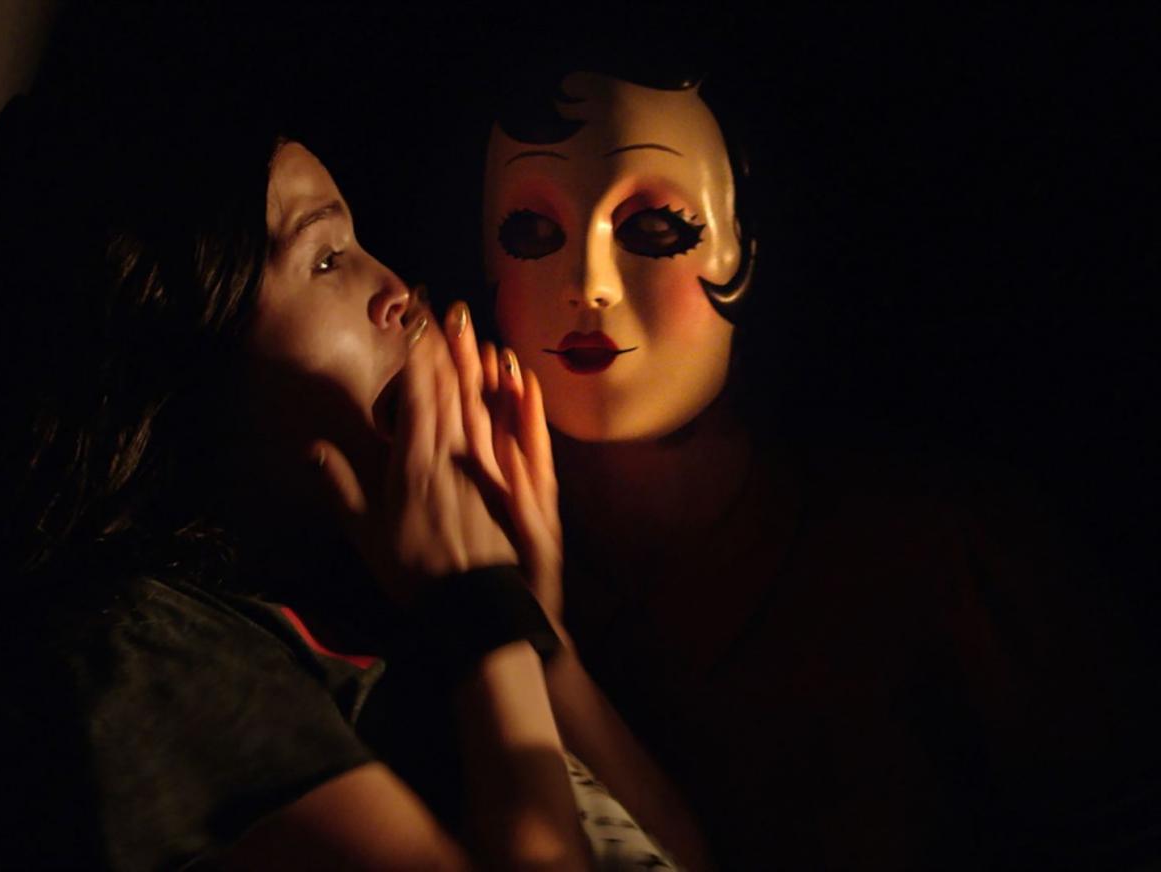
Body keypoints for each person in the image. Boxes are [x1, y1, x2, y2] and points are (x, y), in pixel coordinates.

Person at [0, 84, 712, 871]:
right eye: (328, 258)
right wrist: (483, 617)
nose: (398, 291)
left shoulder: (378, 602)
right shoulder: (145, 652)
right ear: (179, 355)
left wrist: (539, 639)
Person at [481, 57, 1161, 869]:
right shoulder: (453, 560)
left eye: (655, 228)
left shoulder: (944, 555)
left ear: (747, 246)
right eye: (532, 231)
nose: (587, 285)